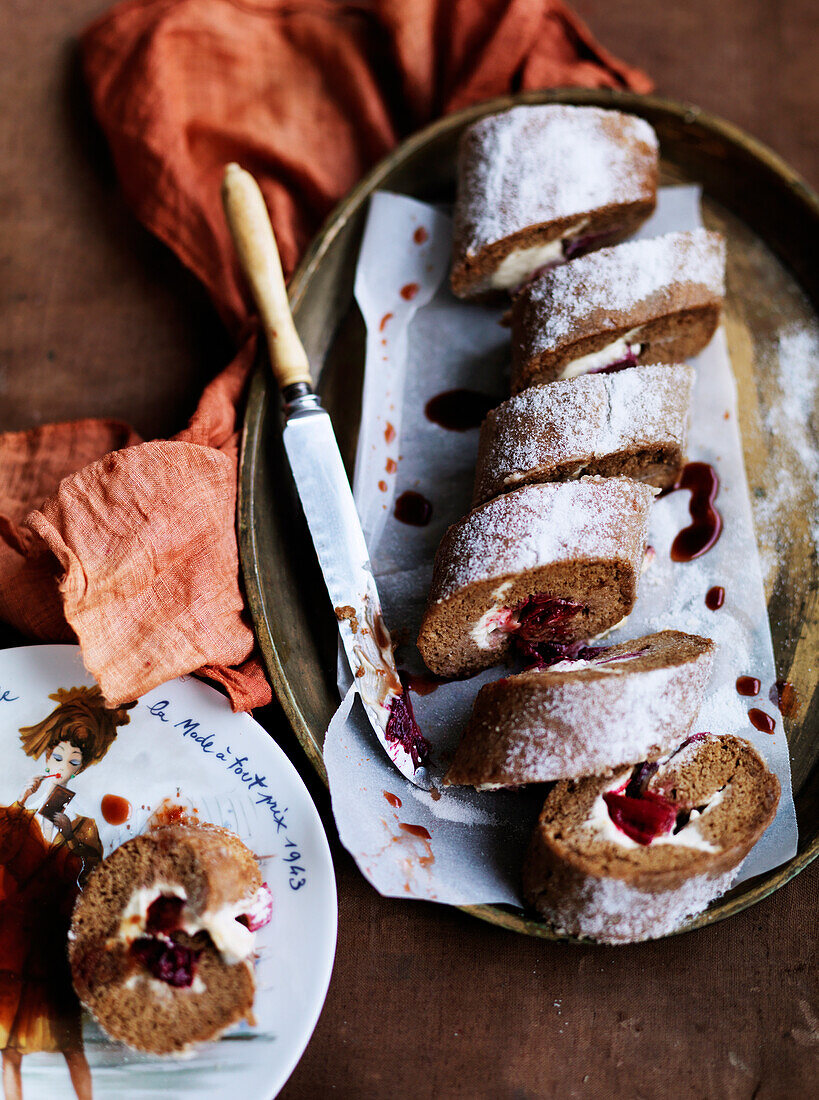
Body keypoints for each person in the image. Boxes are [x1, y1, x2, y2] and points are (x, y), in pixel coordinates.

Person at [0, 687, 134, 1100]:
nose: (63, 767)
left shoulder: (82, 829)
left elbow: (88, 877)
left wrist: (66, 829)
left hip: (51, 945)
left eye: (74, 762)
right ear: (46, 754)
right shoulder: (14, 817)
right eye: (58, 757)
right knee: (9, 1048)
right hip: (8, 945)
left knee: (70, 1045)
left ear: (84, 767)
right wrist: (22, 802)